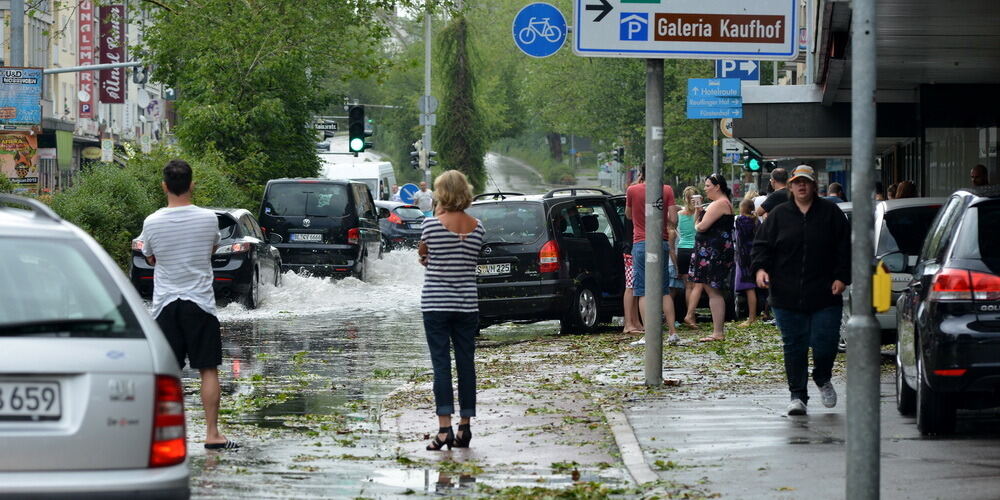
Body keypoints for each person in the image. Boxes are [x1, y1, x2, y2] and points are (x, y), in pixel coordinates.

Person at [140, 159, 238, 450]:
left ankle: (167, 437)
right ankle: (212, 434)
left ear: (164, 186)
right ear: (192, 184)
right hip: (200, 303)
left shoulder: (152, 221)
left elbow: (149, 256)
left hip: (165, 305)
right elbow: (211, 249)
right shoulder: (209, 219)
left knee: (167, 374)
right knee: (208, 369)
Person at [751, 164, 851, 416]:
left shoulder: (831, 213)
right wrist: (761, 269)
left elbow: (845, 248)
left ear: (814, 185)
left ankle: (822, 377)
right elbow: (761, 246)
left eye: (806, 182)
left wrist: (842, 277)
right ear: (791, 186)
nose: (801, 186)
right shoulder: (778, 215)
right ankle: (798, 396)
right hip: (786, 294)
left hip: (825, 292)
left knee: (824, 343)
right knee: (794, 345)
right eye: (797, 182)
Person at [417, 170, 484, 450]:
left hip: (436, 304)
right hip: (467, 304)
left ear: (440, 194)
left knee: (441, 365)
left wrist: (429, 259)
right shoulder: (478, 227)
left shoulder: (431, 226)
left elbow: (423, 255)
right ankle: (465, 428)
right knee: (466, 364)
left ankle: (444, 429)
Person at [625, 170, 679, 344]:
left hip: (641, 243)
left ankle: (650, 335)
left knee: (642, 290)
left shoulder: (632, 190)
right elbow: (674, 218)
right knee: (663, 289)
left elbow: (627, 214)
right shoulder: (667, 189)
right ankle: (672, 332)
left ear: (641, 173)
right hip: (661, 242)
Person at [689, 173, 734, 342]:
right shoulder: (719, 204)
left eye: (708, 185)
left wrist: (698, 220)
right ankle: (717, 331)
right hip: (712, 252)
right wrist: (699, 211)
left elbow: (701, 227)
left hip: (713, 253)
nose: (705, 189)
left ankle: (718, 332)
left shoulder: (719, 204)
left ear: (717, 186)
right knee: (711, 290)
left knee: (713, 290)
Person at [677, 187, 701, 329]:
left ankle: (689, 313)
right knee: (696, 285)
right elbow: (697, 228)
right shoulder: (698, 214)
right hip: (694, 249)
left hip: (682, 249)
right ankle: (691, 315)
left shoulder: (679, 214)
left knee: (687, 286)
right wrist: (698, 210)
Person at [734, 199, 759, 327]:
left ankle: (751, 317)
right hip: (754, 255)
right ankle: (756, 315)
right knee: (753, 287)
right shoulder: (756, 220)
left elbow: (738, 238)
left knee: (749, 287)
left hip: (743, 256)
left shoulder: (740, 220)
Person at [622, 182, 643, 335]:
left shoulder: (635, 205)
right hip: (630, 249)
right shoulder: (632, 208)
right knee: (631, 286)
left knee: (635, 286)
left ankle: (635, 321)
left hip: (633, 247)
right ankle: (628, 323)